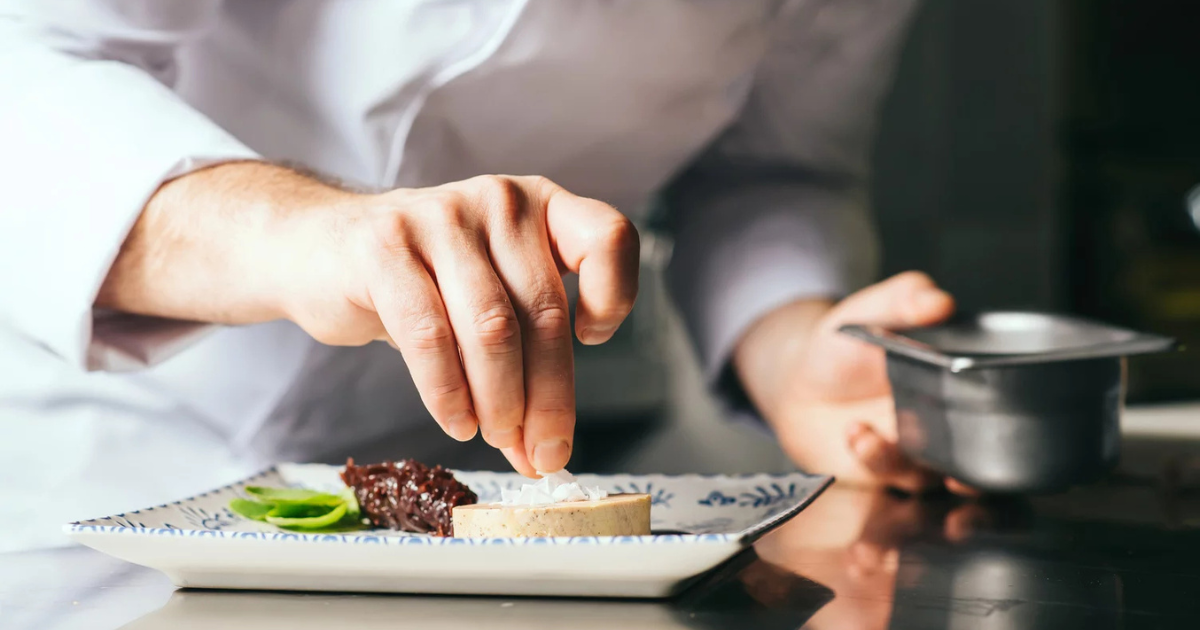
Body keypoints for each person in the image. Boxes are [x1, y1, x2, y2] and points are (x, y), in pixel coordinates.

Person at [0, 0, 965, 552]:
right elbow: (23, 65)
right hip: (90, 450)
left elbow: (771, 170)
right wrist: (310, 233)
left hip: (447, 489)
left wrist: (789, 343)